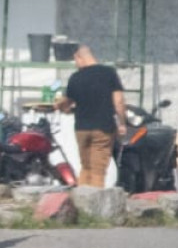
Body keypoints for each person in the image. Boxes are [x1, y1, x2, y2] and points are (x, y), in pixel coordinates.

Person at [54, 44, 128, 188]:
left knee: (86, 167)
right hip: (103, 128)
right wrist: (122, 123)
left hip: (81, 129)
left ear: (79, 57)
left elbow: (67, 104)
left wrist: (59, 106)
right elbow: (118, 101)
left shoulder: (75, 78)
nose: (76, 64)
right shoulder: (109, 73)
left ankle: (82, 201)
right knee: (98, 171)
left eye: (75, 61)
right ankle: (95, 205)